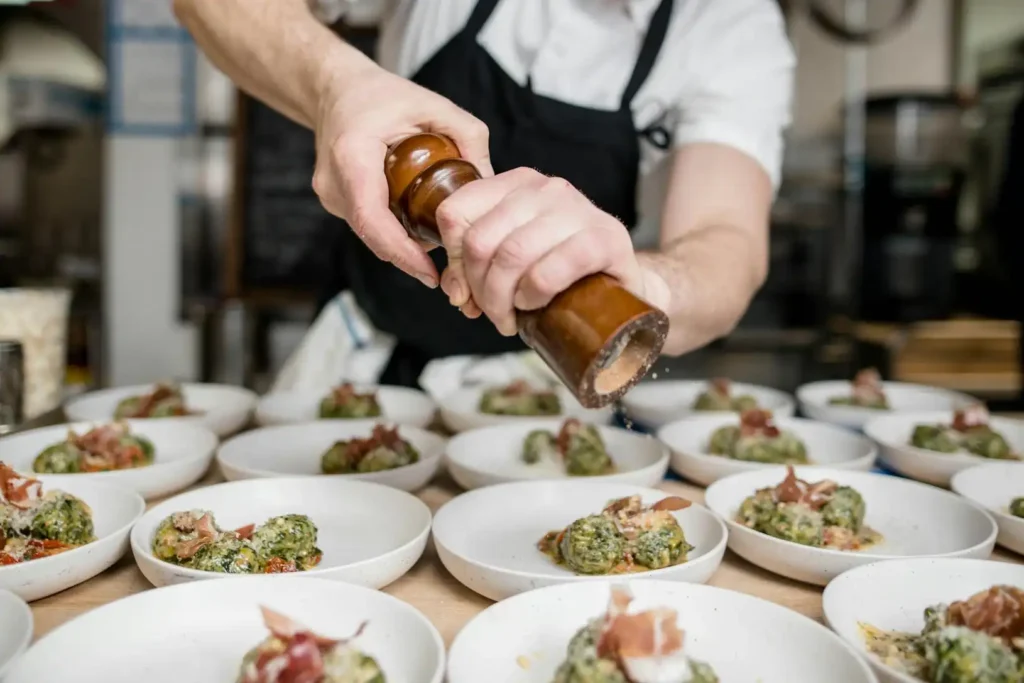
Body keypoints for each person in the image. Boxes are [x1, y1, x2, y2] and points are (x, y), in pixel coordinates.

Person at [174, 0, 796, 386]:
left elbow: (727, 243)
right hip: (369, 356)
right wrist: (336, 84)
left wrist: (644, 283)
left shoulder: (731, 24)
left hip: (545, 392)